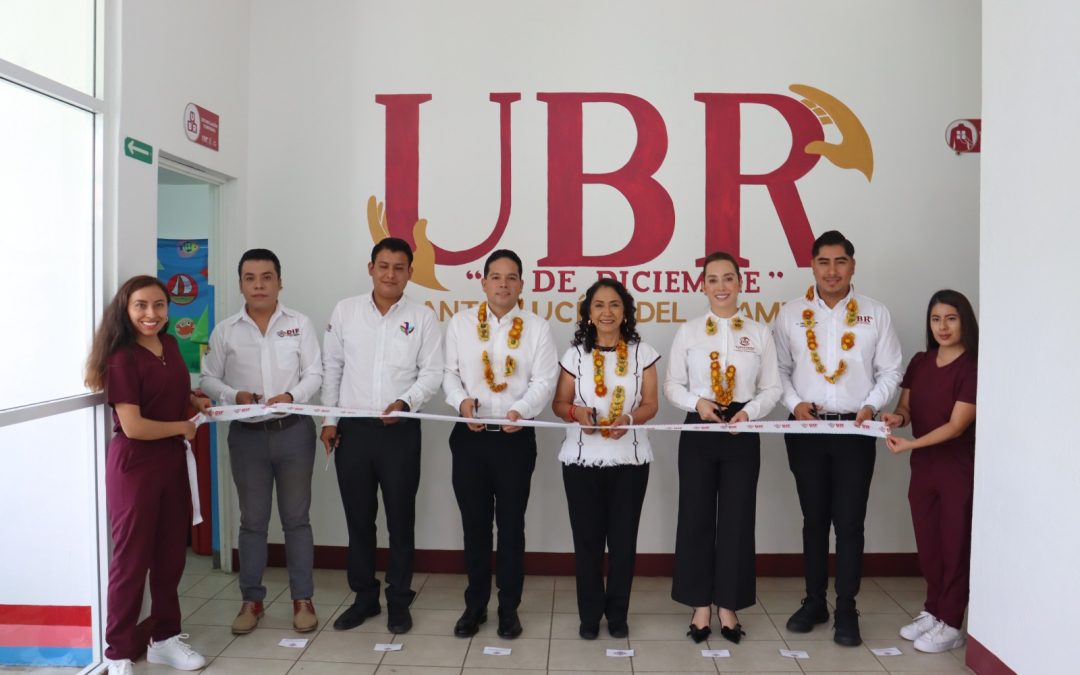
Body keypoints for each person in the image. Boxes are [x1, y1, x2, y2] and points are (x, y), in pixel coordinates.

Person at [773, 230, 902, 646]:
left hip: (855, 429)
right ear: (812, 265)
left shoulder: (874, 313)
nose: (832, 270)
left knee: (849, 522)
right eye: (824, 262)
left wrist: (870, 406)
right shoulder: (790, 314)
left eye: (840, 261)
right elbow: (778, 370)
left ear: (852, 265)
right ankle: (815, 601)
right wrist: (794, 404)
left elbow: (891, 371)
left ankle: (846, 607)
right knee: (814, 520)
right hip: (806, 429)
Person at [85, 275, 211, 675]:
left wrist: (191, 399)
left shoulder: (170, 346)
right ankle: (118, 652)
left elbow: (169, 391)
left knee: (171, 556)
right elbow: (134, 425)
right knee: (131, 561)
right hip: (135, 466)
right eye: (141, 306)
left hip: (171, 464)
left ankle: (165, 639)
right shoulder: (121, 357)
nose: (151, 314)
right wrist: (182, 426)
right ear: (126, 309)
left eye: (159, 305)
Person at [321, 237, 443, 635]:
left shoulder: (423, 317)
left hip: (400, 433)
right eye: (384, 266)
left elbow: (431, 373)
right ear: (370, 267)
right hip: (353, 433)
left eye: (399, 268)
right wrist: (330, 421)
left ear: (410, 272)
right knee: (359, 521)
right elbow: (333, 368)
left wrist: (406, 403)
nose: (391, 274)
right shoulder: (346, 311)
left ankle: (398, 599)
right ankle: (364, 598)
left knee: (400, 520)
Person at [200, 249, 323, 635]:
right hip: (248, 437)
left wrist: (292, 397)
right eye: (250, 278)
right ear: (240, 284)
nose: (259, 285)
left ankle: (302, 599)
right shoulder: (225, 331)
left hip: (294, 433)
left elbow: (315, 374)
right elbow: (207, 379)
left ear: (279, 282)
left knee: (296, 520)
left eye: (266, 277)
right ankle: (251, 601)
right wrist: (233, 395)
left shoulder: (300, 324)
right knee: (253, 523)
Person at [664, 252, 782, 644]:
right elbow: (672, 385)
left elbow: (772, 389)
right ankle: (700, 604)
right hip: (700, 426)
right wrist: (697, 404)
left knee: (736, 519)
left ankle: (728, 604)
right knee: (695, 516)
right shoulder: (690, 331)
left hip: (741, 430)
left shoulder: (759, 333)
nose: (721, 286)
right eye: (712, 279)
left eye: (728, 278)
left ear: (740, 283)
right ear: (703, 285)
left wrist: (749, 413)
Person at [443, 249, 558, 639]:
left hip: (515, 439)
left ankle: (509, 608)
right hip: (470, 439)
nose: (503, 284)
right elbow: (450, 373)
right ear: (484, 282)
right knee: (475, 527)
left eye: (511, 278)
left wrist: (521, 411)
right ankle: (475, 606)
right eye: (496, 277)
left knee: (511, 528)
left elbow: (544, 381)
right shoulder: (460, 324)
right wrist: (461, 403)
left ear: (522, 285)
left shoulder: (537, 328)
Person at [551, 278, 659, 640]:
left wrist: (629, 420)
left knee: (624, 542)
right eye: (599, 305)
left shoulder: (643, 352)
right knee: (588, 542)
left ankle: (618, 615)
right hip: (581, 462)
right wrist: (575, 414)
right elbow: (559, 403)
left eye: (614, 305)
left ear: (625, 310)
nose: (607, 312)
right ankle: (589, 615)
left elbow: (650, 404)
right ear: (588, 313)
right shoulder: (575, 355)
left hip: (630, 461)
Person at [881, 290, 978, 654]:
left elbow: (956, 426)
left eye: (951, 318)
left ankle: (952, 623)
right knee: (929, 542)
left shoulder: (973, 366)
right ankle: (934, 610)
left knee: (955, 543)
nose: (943, 326)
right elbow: (905, 408)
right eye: (936, 319)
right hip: (922, 468)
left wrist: (911, 444)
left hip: (957, 468)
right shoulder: (921, 361)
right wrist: (896, 419)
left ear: (964, 321)